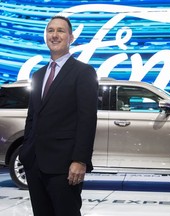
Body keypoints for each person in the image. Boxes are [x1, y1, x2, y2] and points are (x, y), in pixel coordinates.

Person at [19, 15, 98, 216]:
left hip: (65, 165)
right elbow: (32, 118)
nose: (54, 35)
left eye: (60, 31)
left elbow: (87, 120)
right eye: (50, 30)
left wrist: (80, 160)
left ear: (71, 38)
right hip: (35, 163)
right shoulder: (38, 75)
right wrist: (26, 152)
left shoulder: (83, 72)